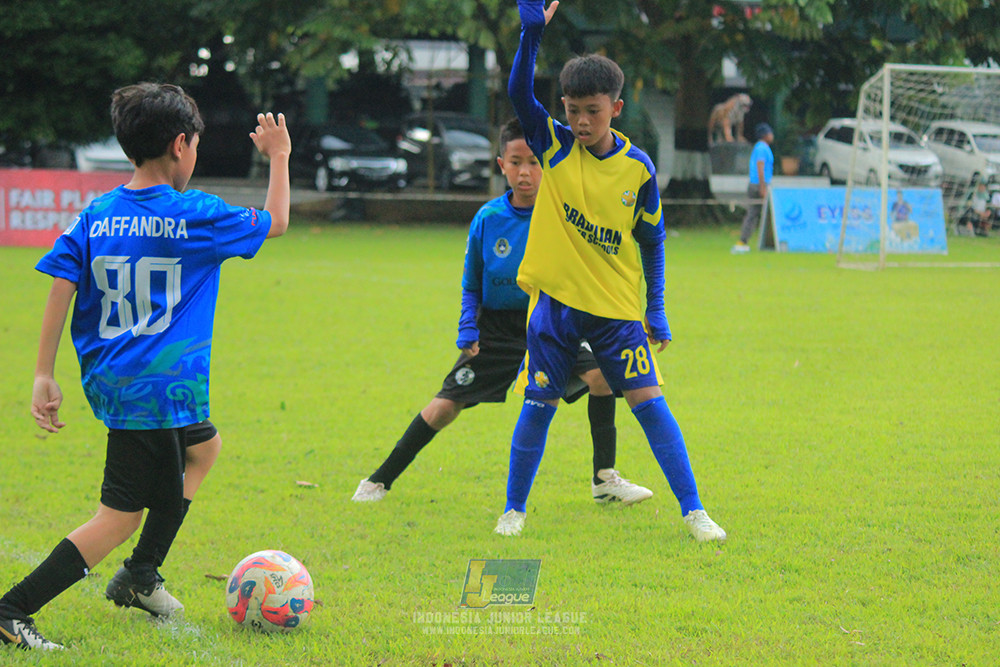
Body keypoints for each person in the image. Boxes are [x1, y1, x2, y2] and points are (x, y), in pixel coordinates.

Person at [0, 83, 290, 650]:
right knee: (119, 516)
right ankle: (14, 608)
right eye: (197, 146)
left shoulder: (97, 212)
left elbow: (62, 280)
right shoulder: (195, 213)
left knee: (203, 448)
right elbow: (276, 221)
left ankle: (140, 576)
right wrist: (278, 156)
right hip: (155, 392)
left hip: (116, 380)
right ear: (181, 144)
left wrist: (43, 370)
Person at [497, 0, 726, 542]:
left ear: (616, 108)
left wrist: (657, 307)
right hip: (554, 307)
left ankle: (695, 512)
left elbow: (652, 240)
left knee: (650, 405)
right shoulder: (550, 144)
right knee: (538, 406)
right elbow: (517, 96)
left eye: (592, 111)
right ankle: (514, 509)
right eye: (573, 108)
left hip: (618, 313)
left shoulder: (638, 168)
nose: (580, 121)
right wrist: (532, 36)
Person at [353, 118, 652, 506]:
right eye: (515, 162)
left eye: (533, 161)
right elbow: (471, 282)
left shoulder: (563, 213)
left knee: (600, 378)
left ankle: (604, 479)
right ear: (501, 166)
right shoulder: (488, 219)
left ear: (547, 163)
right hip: (495, 330)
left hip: (549, 321)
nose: (525, 172)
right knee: (445, 406)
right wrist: (467, 328)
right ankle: (379, 480)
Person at [732, 122, 775, 253]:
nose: (772, 136)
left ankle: (747, 240)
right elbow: (760, 167)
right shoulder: (762, 148)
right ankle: (744, 240)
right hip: (758, 185)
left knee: (755, 214)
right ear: (765, 135)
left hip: (757, 184)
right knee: (755, 213)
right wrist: (762, 186)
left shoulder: (762, 147)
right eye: (770, 133)